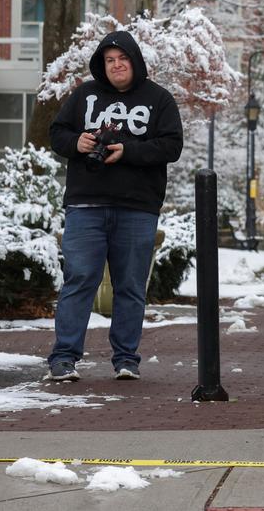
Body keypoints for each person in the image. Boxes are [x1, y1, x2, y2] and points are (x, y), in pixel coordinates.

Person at [44, 30, 183, 382]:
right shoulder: (83, 96)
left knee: (130, 286)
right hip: (86, 205)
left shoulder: (159, 100)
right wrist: (77, 142)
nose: (116, 65)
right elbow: (57, 133)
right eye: (109, 60)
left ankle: (126, 359)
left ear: (135, 62)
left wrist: (128, 150)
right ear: (101, 66)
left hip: (138, 207)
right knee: (79, 280)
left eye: (122, 59)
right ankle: (63, 358)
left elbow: (172, 146)